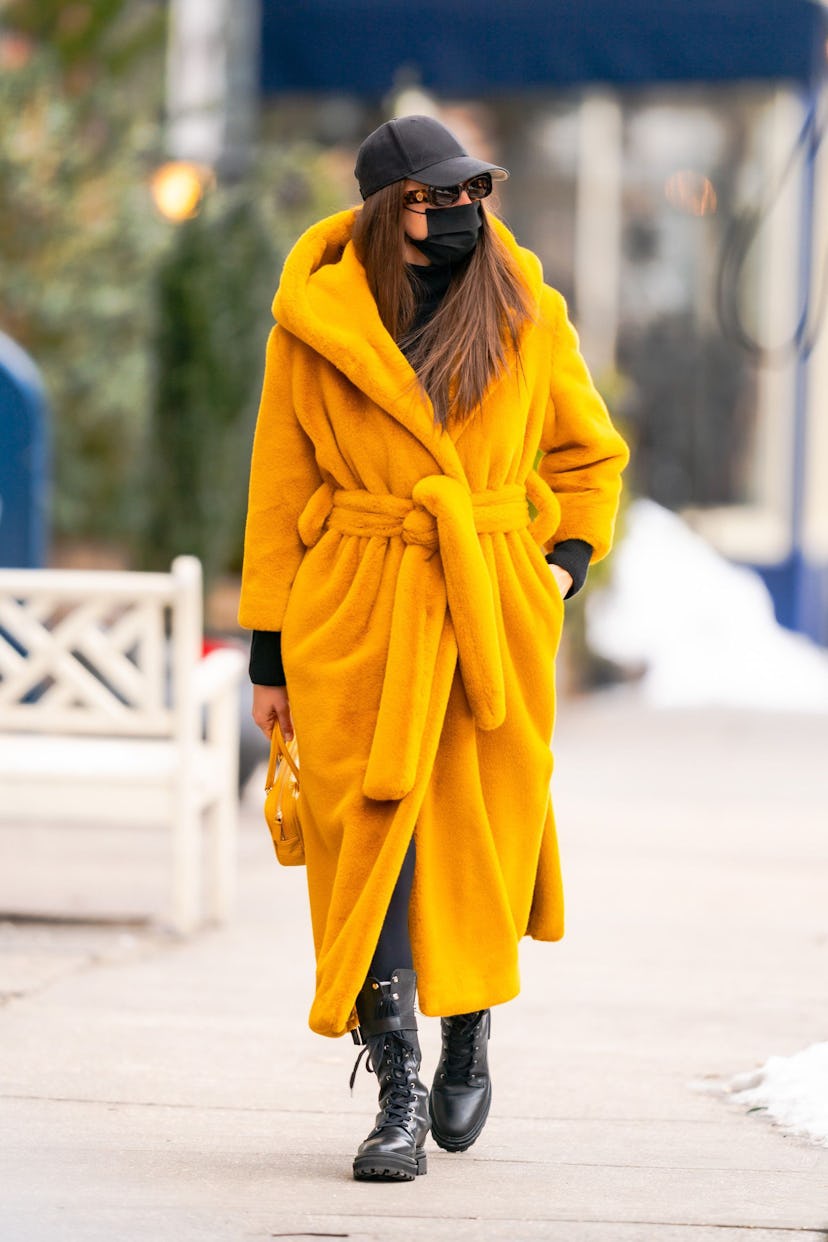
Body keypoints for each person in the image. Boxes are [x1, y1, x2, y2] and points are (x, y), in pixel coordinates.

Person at [238, 114, 629, 1183]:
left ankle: (469, 1023)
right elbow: (279, 497)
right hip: (356, 609)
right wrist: (268, 660)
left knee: (476, 842)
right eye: (430, 198)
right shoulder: (314, 324)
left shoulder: (524, 306)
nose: (457, 213)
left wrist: (557, 567)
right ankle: (399, 1089)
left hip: (488, 609)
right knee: (372, 853)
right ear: (382, 210)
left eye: (469, 194)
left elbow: (589, 454)